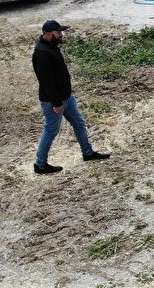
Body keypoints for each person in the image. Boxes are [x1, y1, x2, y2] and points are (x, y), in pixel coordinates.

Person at [31, 20, 110, 174]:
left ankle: (88, 153)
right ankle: (40, 164)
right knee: (51, 131)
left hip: (66, 98)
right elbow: (47, 82)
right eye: (58, 32)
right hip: (55, 101)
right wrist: (56, 102)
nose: (61, 35)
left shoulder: (51, 47)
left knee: (79, 123)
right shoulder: (42, 53)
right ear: (48, 34)